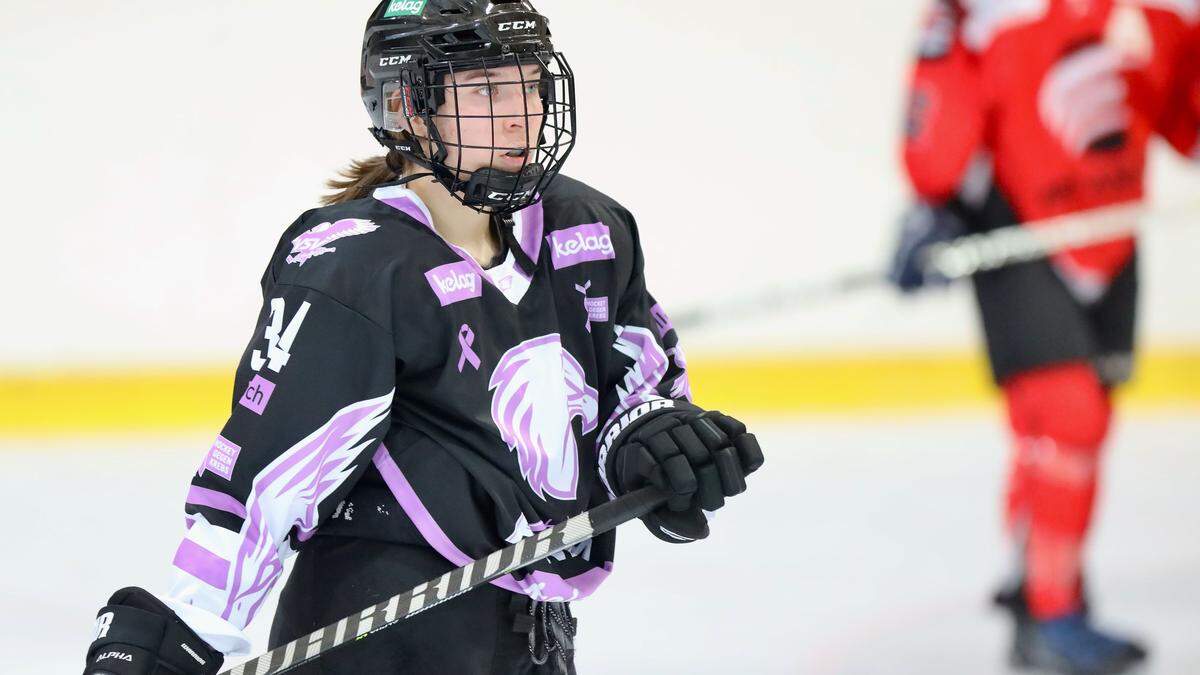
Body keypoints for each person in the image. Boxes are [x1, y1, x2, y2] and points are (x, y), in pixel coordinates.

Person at [81, 2, 764, 673]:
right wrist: (189, 624)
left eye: (530, 82)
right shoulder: (354, 263)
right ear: (408, 107)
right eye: (486, 88)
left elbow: (637, 386)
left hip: (534, 643)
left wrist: (648, 437)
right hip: (382, 639)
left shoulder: (586, 229)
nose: (520, 112)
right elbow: (265, 481)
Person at [890, 1, 1198, 673]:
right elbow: (942, 106)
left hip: (1110, 234)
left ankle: (1033, 570)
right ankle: (1050, 613)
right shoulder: (992, 13)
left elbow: (1188, 121)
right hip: (1017, 230)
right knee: (1068, 416)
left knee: (1079, 427)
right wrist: (932, 202)